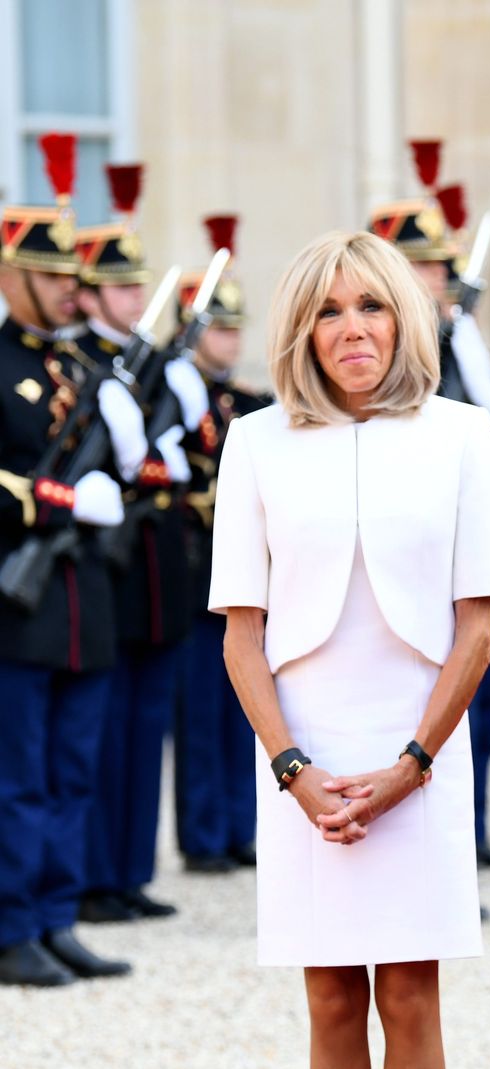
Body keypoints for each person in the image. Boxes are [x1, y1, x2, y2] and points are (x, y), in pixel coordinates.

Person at [208, 230, 490, 1069]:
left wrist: (412, 765)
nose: (353, 329)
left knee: (411, 1000)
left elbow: (480, 627)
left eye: (373, 309)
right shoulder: (253, 444)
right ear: (302, 329)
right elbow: (242, 638)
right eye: (331, 312)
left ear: (406, 321)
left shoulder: (458, 438)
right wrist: (293, 772)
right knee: (332, 1001)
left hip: (417, 749)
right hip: (303, 757)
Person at [0, 135, 132, 984]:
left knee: (73, 767)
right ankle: (14, 926)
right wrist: (48, 498)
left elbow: (125, 466)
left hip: (84, 598)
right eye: (50, 276)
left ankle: (58, 914)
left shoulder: (87, 366)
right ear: (12, 275)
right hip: (18, 594)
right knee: (19, 776)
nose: (67, 289)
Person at [371, 193, 490, 869]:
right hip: (426, 549)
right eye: (426, 267)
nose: (441, 279)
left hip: (479, 537)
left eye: (440, 267)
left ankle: (473, 830)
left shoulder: (457, 336)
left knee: (481, 701)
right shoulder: (402, 347)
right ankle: (434, 843)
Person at [75, 163, 208, 924]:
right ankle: (94, 876)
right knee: (102, 731)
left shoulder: (152, 364)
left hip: (155, 563)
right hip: (105, 564)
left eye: (137, 288)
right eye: (120, 289)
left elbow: (178, 459)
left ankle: (127, 870)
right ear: (89, 293)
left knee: (141, 727)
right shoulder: (89, 366)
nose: (134, 299)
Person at [174, 215, 271, 875]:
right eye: (219, 327)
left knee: (245, 706)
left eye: (237, 328)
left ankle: (239, 825)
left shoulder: (249, 401)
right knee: (200, 711)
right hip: (189, 570)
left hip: (246, 572)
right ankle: (203, 833)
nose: (230, 339)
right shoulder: (174, 395)